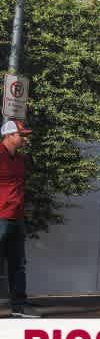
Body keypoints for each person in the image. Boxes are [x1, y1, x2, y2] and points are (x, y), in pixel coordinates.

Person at [0, 120, 39, 318]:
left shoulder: (21, 159)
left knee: (18, 263)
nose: (24, 138)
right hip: (1, 218)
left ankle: (19, 305)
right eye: (21, 135)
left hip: (17, 218)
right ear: (9, 136)